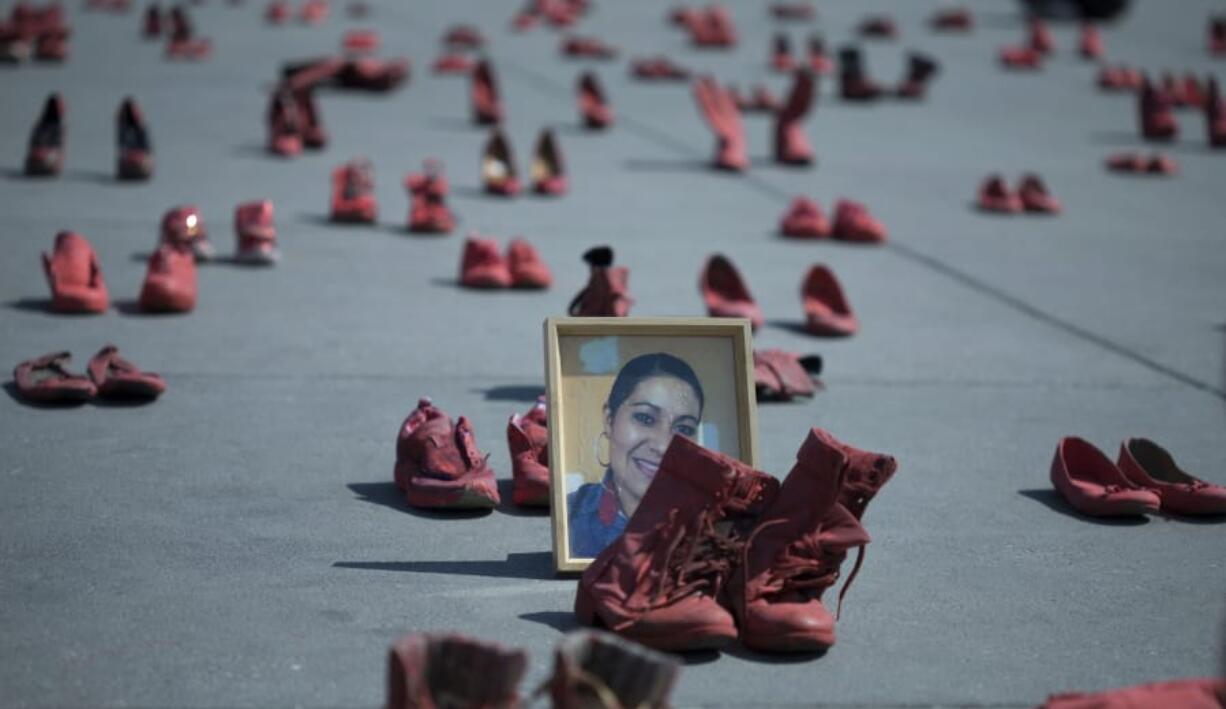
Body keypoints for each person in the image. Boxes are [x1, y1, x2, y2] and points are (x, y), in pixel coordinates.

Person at [568, 352, 705, 557]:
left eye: (684, 429)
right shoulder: (570, 513)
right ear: (609, 419)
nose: (662, 446)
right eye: (645, 418)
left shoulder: (712, 526)